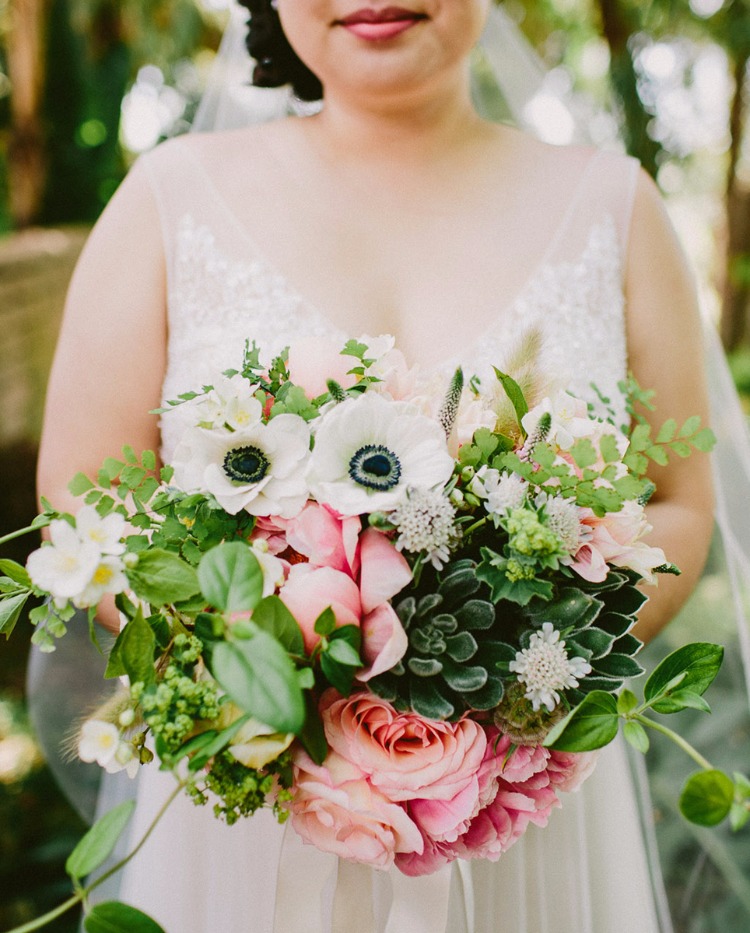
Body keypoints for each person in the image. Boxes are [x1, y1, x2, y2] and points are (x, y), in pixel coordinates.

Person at [35, 2, 715, 930]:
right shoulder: (170, 198)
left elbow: (680, 502)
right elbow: (83, 498)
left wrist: (517, 683)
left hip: (527, 809)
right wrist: (260, 672)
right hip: (245, 813)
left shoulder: (615, 206)